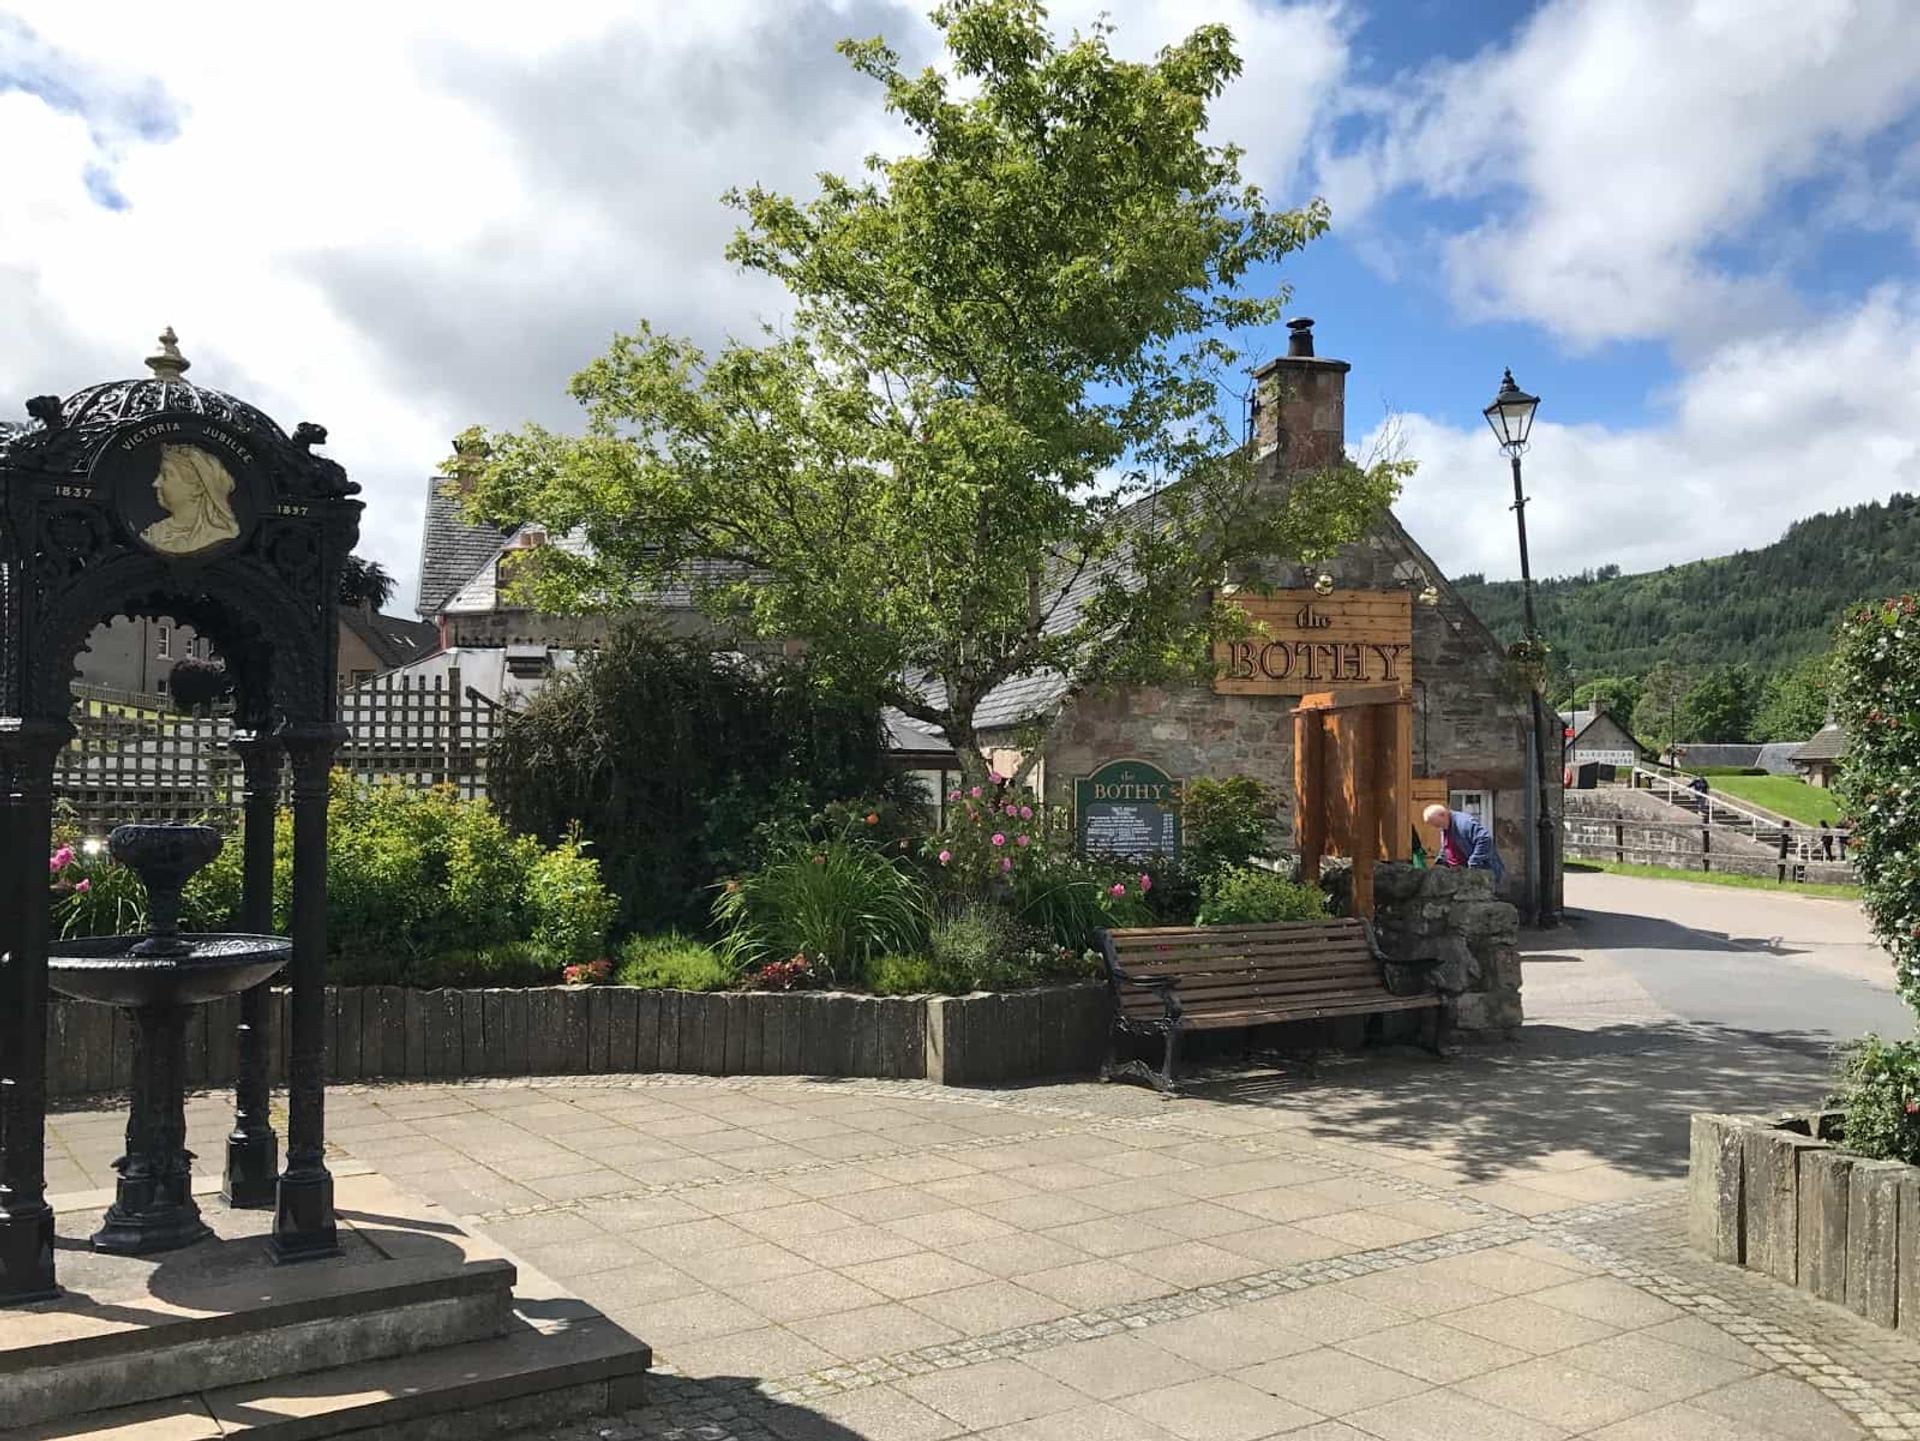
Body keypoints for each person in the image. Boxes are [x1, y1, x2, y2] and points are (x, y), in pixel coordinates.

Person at [142, 443, 241, 555]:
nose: (156, 483)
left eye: (166, 475)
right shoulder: (154, 533)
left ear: (198, 488)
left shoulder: (219, 536)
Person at [1422, 803, 1505, 887]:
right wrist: (1439, 864)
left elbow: (1485, 839)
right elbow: (1447, 847)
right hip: (1459, 874)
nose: (1434, 826)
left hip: (1480, 874)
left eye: (1433, 822)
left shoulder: (1464, 823)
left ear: (1442, 815)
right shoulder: (1445, 827)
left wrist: (1474, 861)